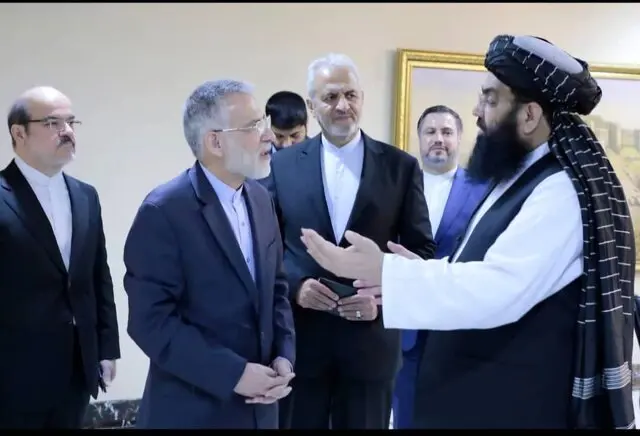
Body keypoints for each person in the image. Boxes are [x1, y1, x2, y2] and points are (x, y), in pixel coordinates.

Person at [299, 35, 636, 429]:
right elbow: (479, 267)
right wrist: (412, 269)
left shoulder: (558, 191)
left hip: (519, 406)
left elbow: (499, 288)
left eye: (490, 100)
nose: (476, 111)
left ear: (529, 115)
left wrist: (387, 272)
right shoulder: (518, 179)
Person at [262, 53, 435, 430]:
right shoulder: (281, 167)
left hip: (371, 346)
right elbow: (266, 249)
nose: (343, 105)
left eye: (351, 95)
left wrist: (381, 297)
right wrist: (297, 286)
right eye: (331, 97)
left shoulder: (400, 166)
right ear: (312, 106)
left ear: (362, 98)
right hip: (302, 344)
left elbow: (421, 252)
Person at [123, 79, 296, 429]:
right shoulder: (164, 211)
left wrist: (284, 356)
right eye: (253, 126)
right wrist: (233, 373)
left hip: (261, 410)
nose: (268, 135)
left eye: (264, 122)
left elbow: (277, 289)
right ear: (214, 141)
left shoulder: (261, 199)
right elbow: (151, 322)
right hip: (193, 411)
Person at [0, 86, 120, 428]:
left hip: (76, 370)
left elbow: (98, 276)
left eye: (71, 122)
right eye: (53, 123)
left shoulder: (85, 196)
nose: (67, 131)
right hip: (12, 375)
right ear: (19, 133)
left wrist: (106, 347)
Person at [392, 105, 488, 429]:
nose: (438, 139)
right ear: (419, 138)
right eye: (430, 132)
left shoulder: (483, 190)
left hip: (457, 324)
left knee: (456, 415)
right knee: (405, 414)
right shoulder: (396, 187)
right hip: (405, 326)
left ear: (459, 138)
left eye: (447, 132)